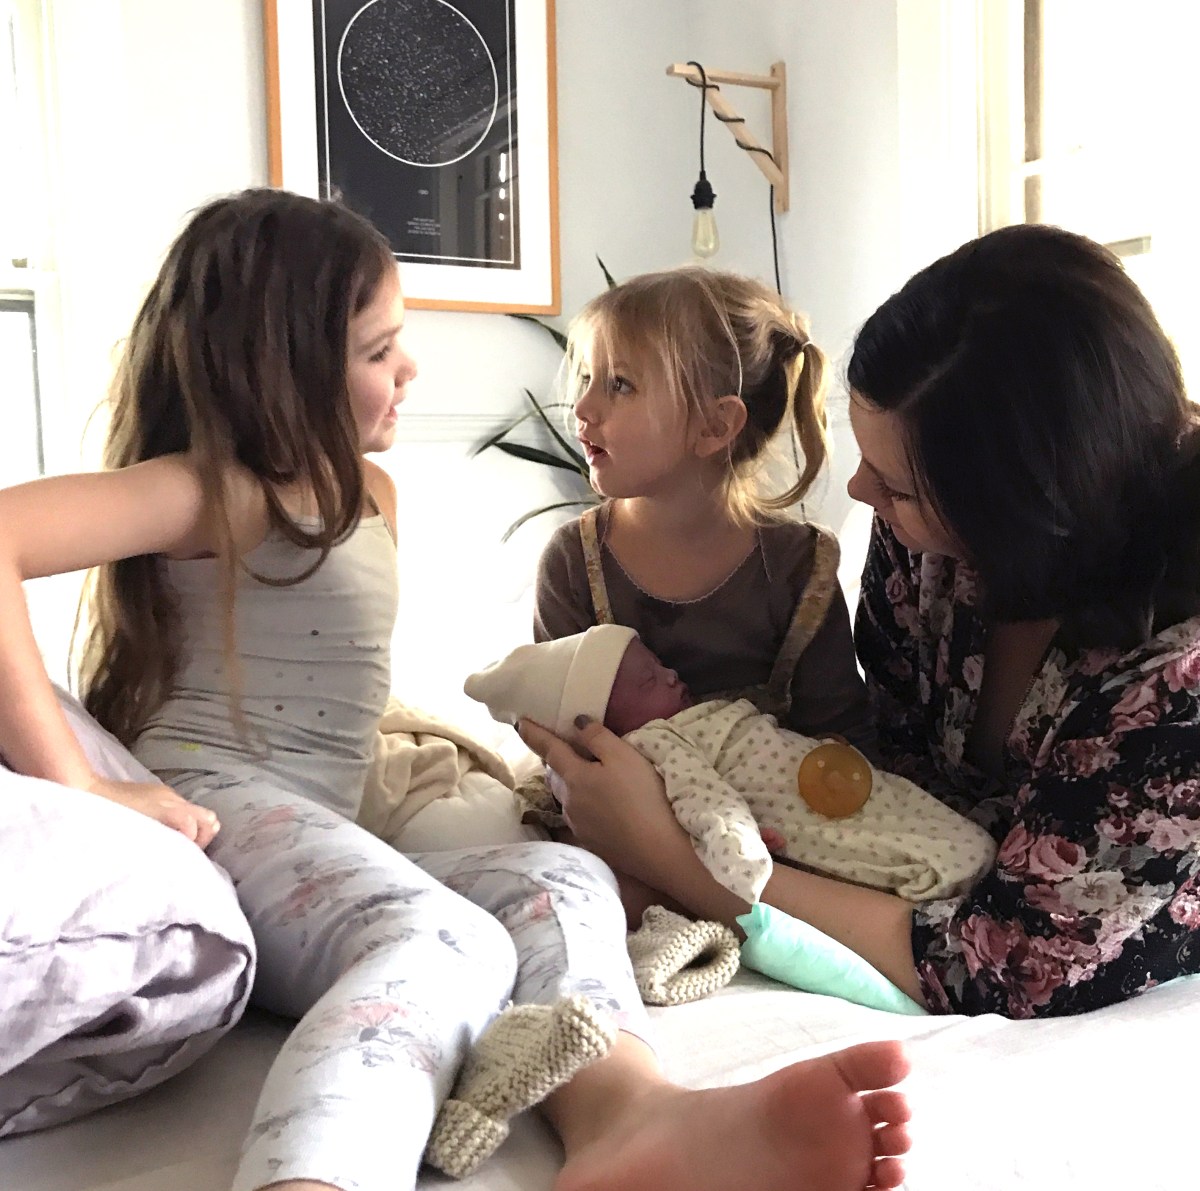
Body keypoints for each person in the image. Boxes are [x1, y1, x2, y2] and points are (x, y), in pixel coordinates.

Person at [0, 188, 912, 1191]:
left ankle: (624, 1110)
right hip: (220, 800)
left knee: (565, 881)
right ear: (279, 366)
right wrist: (81, 783)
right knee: (444, 939)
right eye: (378, 349)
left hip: (321, 819)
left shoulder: (367, 492)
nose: (411, 367)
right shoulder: (220, 487)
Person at [520, 223, 1200, 1023]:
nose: (858, 491)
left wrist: (674, 857)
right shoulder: (927, 553)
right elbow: (883, 769)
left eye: (899, 486)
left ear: (1027, 510)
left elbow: (1001, 967)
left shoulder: (1173, 682)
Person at [534, 266, 873, 751]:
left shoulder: (799, 567)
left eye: (620, 384)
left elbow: (842, 744)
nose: (582, 408)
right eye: (588, 378)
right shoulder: (573, 563)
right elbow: (559, 742)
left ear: (715, 426)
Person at [466, 625, 995, 905]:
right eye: (649, 680)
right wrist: (738, 853)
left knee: (906, 815)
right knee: (891, 846)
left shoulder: (691, 718)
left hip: (835, 784)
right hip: (805, 818)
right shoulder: (655, 743)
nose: (672, 675)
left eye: (660, 665)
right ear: (601, 723)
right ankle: (956, 877)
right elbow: (705, 801)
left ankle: (968, 864)